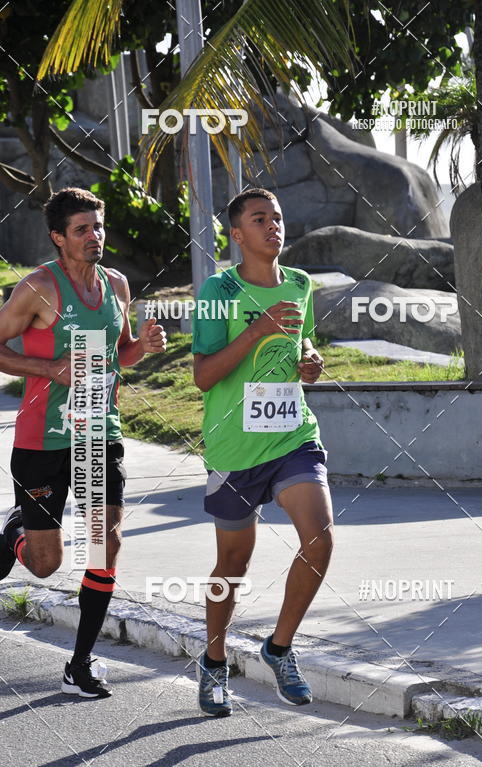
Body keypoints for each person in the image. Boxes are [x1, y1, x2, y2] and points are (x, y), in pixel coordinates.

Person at [0, 187, 166, 699]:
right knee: (46, 565)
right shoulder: (37, 288)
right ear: (58, 237)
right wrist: (49, 368)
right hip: (42, 439)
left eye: (98, 226)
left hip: (99, 433)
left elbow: (120, 354)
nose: (95, 236)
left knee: (104, 543)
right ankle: (13, 533)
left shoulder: (117, 285)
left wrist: (143, 347)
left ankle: (80, 663)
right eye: (82, 229)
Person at [192, 187, 333, 717]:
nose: (273, 226)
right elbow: (203, 375)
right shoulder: (218, 289)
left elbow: (303, 343)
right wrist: (257, 330)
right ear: (236, 233)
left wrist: (310, 361)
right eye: (259, 219)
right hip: (234, 446)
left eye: (277, 217)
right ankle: (213, 662)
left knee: (319, 539)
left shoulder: (299, 283)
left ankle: (278, 648)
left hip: (292, 435)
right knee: (233, 561)